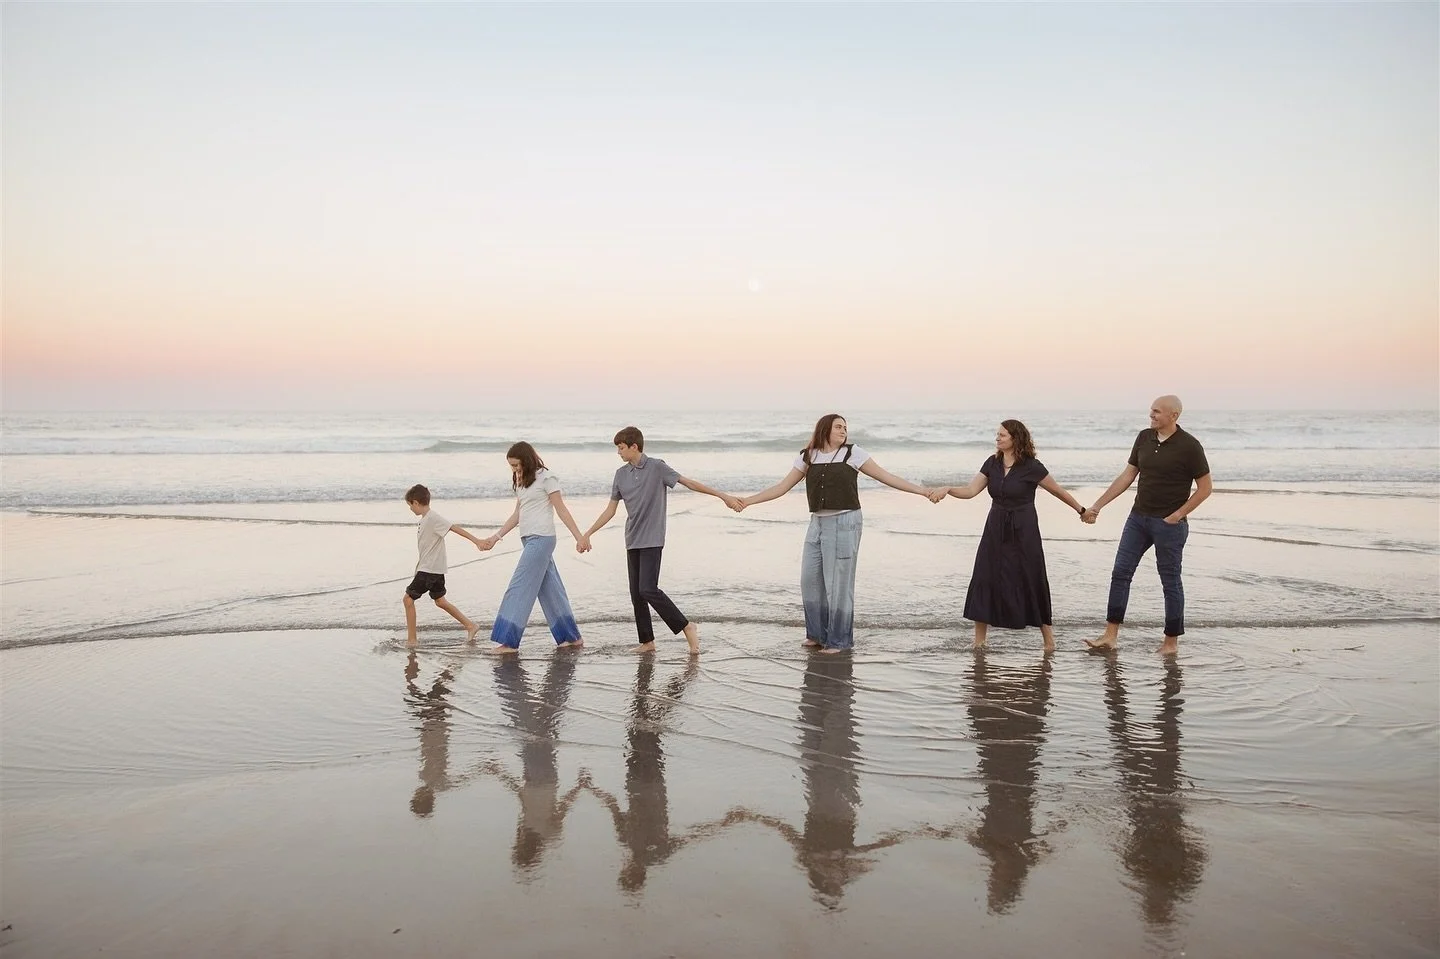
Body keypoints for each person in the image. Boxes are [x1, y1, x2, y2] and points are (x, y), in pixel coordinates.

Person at [736, 413, 938, 653]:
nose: (844, 431)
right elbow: (782, 487)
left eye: (845, 427)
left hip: (845, 522)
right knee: (810, 580)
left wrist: (922, 491)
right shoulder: (808, 456)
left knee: (838, 584)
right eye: (838, 427)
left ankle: (839, 640)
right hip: (817, 524)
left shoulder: (853, 453)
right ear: (825, 430)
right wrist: (747, 501)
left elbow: (887, 477)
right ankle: (817, 634)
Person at [578, 426, 742, 655]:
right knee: (636, 594)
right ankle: (647, 642)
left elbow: (689, 483)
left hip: (652, 538)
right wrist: (588, 533)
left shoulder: (657, 467)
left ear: (634, 447)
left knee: (648, 589)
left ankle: (686, 626)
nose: (619, 453)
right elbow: (610, 510)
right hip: (632, 538)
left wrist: (722, 496)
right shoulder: (620, 475)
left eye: (622, 448)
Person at [931, 420, 1087, 651]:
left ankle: (1049, 641)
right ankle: (979, 641)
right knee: (986, 576)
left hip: (1024, 529)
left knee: (1031, 576)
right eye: (997, 434)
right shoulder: (992, 463)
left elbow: (1058, 491)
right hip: (995, 527)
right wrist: (948, 489)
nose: (998, 438)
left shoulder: (1032, 466)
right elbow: (971, 491)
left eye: (1002, 435)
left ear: (1015, 438)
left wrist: (1081, 510)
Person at [1083, 396, 1212, 656]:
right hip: (1138, 519)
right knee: (1120, 572)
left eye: (1156, 412)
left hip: (1169, 525)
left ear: (1174, 415)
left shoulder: (1190, 446)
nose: (1151, 415)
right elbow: (1128, 475)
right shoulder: (1144, 437)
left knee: (1170, 581)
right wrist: (1098, 505)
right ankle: (1110, 635)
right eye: (1151, 411)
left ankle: (1170, 643)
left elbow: (1205, 488)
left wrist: (1177, 515)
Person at [478, 442, 586, 655]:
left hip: (542, 539)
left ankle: (509, 643)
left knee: (518, 587)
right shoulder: (522, 481)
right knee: (550, 590)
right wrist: (496, 537)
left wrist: (579, 537)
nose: (514, 469)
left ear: (526, 460)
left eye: (516, 465)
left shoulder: (547, 477)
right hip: (528, 540)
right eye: (511, 466)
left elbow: (562, 510)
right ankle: (572, 638)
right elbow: (518, 514)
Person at [403, 483, 484, 647]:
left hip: (430, 569)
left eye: (410, 505)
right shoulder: (426, 519)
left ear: (416, 503)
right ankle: (471, 625)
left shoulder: (433, 518)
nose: (410, 509)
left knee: (408, 600)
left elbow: (454, 528)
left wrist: (477, 541)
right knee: (440, 601)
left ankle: (412, 640)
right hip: (432, 568)